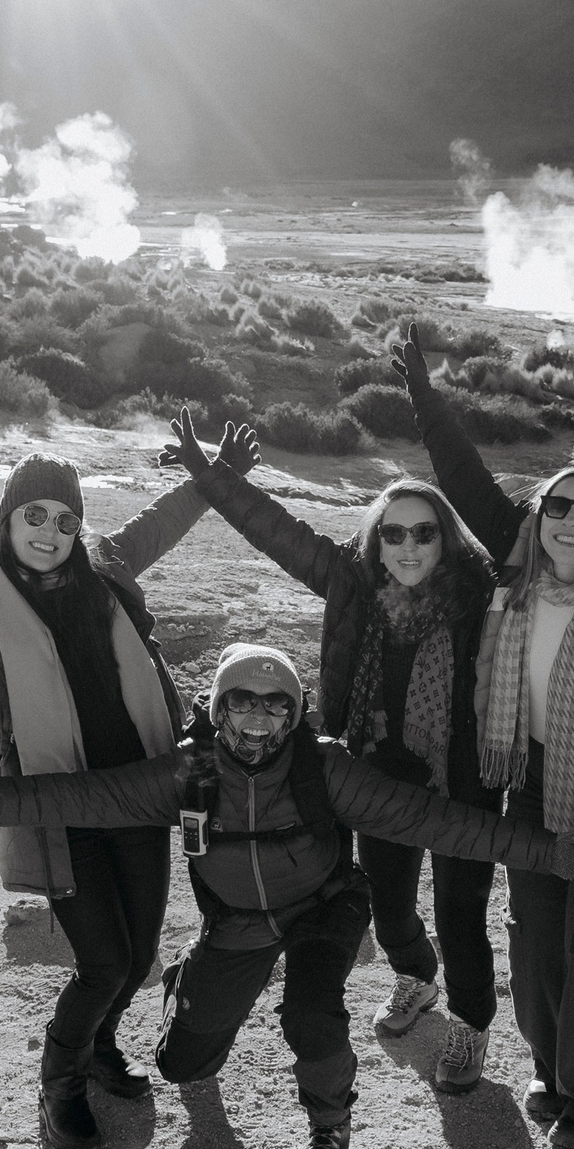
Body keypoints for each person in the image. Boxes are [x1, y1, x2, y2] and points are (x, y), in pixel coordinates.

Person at [0, 643, 574, 1149]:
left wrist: (547, 852)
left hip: (322, 909)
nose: (258, 718)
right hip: (237, 920)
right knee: (182, 1066)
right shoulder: (188, 773)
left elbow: (434, 820)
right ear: (218, 709)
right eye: (242, 701)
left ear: (295, 716)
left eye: (277, 705)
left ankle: (330, 1129)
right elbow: (70, 797)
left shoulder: (321, 769)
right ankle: (189, 978)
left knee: (312, 1013)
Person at [160, 408, 505, 1090]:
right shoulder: (355, 584)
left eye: (424, 532)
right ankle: (417, 977)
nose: (408, 546)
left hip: (462, 782)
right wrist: (212, 476)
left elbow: (516, 525)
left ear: (445, 537)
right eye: (393, 532)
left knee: (461, 914)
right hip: (377, 775)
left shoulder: (483, 596)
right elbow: (278, 532)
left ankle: (471, 1023)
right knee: (390, 906)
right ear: (377, 539)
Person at [389, 334, 574, 1149]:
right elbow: (464, 478)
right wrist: (426, 399)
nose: (570, 522)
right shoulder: (517, 564)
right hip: (533, 777)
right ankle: (549, 1067)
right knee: (535, 936)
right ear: (539, 518)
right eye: (558, 508)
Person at [0, 443, 222, 1149]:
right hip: (59, 806)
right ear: (7, 516)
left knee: (140, 952)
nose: (50, 531)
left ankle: (99, 1045)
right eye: (34, 514)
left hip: (141, 789)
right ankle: (60, 1084)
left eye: (65, 519)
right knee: (105, 962)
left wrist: (213, 479)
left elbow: (158, 525)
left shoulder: (102, 566)